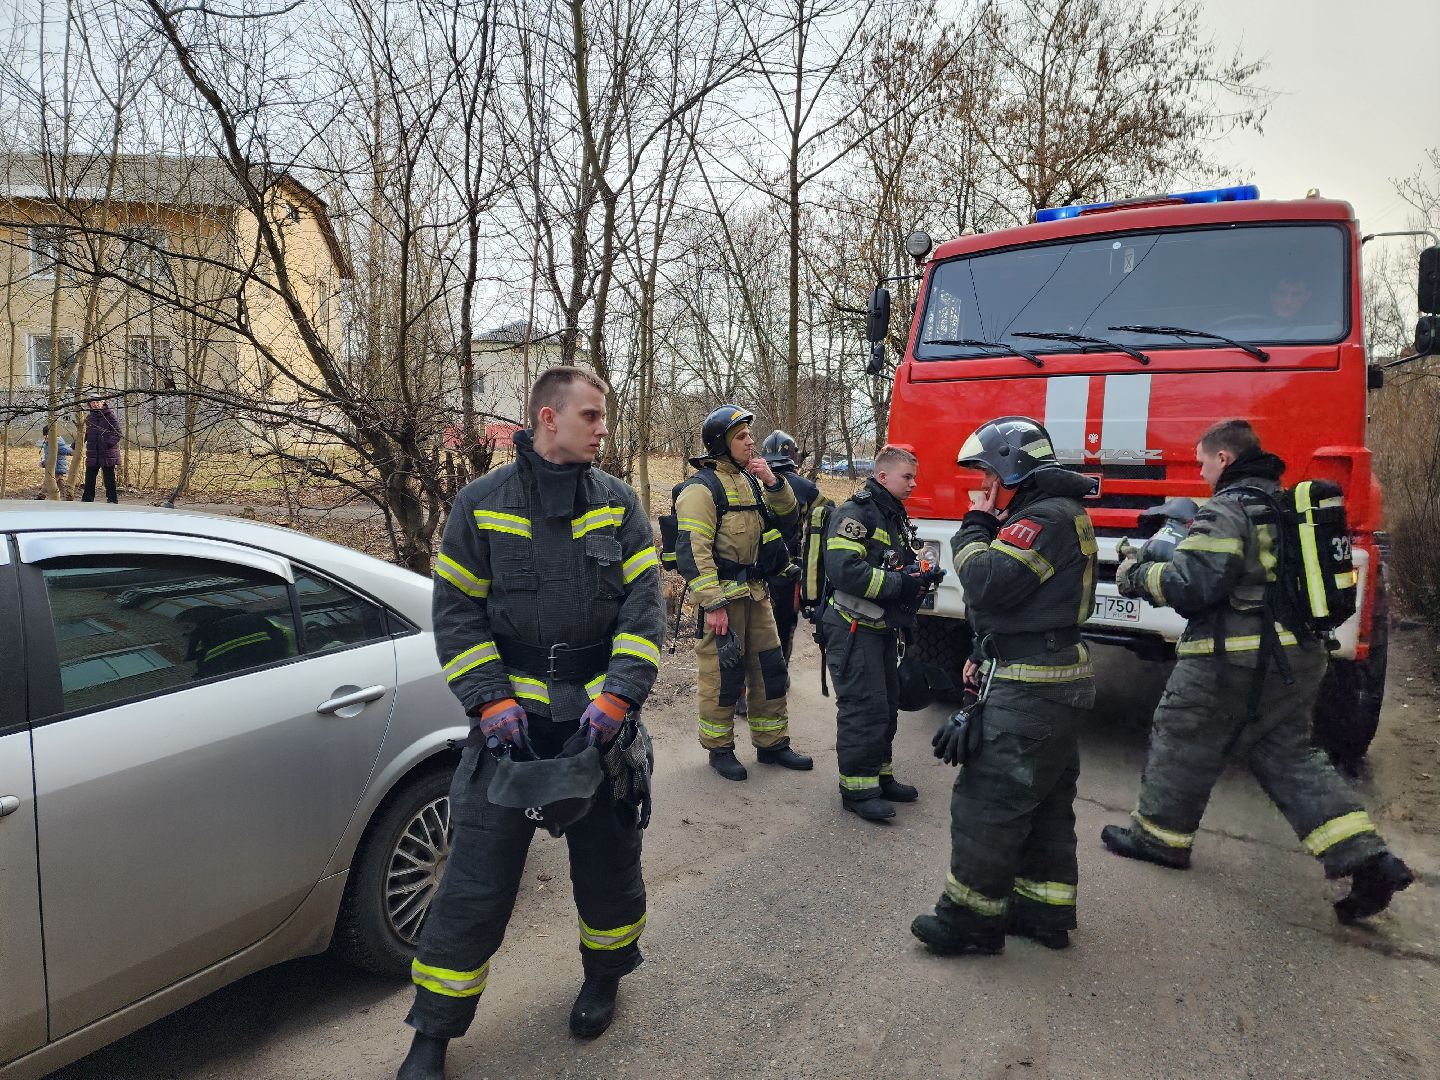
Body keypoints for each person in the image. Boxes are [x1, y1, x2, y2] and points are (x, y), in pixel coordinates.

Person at [396, 366, 665, 1080]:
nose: (602, 428)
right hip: (506, 735)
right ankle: (433, 1032)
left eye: (602, 416)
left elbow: (645, 613)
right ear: (547, 418)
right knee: (475, 883)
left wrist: (618, 700)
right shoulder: (481, 504)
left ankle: (604, 975)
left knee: (609, 869)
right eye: (591, 415)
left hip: (595, 727)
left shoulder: (618, 504)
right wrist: (488, 700)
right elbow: (455, 614)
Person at [1103, 418, 1413, 923]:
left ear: (1224, 459)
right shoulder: (1287, 505)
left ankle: (1159, 838)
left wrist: (1137, 574)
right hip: (1299, 656)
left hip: (1233, 656)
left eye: (1202, 461)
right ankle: (1369, 859)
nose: (1200, 472)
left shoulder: (1227, 508)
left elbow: (1191, 585)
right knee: (1288, 754)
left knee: (1184, 731)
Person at [912, 416, 1098, 955]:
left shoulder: (1043, 520)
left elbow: (988, 584)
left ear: (1011, 467)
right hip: (1049, 677)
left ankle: (969, 920)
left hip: (1031, 689)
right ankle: (1043, 909)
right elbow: (1025, 606)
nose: (983, 486)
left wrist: (974, 524)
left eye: (987, 474)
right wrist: (981, 653)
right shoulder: (1061, 513)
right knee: (1042, 801)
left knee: (987, 800)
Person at [675, 405, 813, 781]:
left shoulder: (752, 480)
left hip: (756, 594)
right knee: (723, 675)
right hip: (723, 599)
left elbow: (787, 518)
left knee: (769, 668)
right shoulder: (701, 489)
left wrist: (772, 481)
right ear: (721, 443)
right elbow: (693, 549)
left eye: (750, 435)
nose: (751, 442)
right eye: (741, 436)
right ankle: (719, 750)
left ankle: (773, 744)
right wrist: (714, 604)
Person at [820, 444, 934, 822]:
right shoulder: (855, 513)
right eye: (907, 476)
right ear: (882, 476)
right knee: (862, 708)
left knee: (885, 705)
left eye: (914, 477)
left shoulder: (891, 514)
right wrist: (898, 584)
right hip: (853, 628)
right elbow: (844, 571)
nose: (914, 484)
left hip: (879, 628)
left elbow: (895, 563)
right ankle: (857, 790)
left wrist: (917, 578)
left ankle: (880, 776)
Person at [758, 429, 823, 659]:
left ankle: (754, 678)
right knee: (785, 624)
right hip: (789, 571)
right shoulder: (807, 488)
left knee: (754, 625)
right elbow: (827, 519)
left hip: (754, 569)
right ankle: (781, 672)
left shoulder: (750, 483)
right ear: (793, 457)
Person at [82, 394, 121, 503]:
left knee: (109, 478)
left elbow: (117, 433)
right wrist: (75, 445)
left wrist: (107, 444)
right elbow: (85, 434)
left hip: (107, 453)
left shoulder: (110, 415)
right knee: (89, 477)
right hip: (93, 452)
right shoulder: (89, 418)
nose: (95, 404)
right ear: (90, 404)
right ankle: (87, 500)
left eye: (97, 402)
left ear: (103, 402)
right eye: (93, 402)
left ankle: (112, 500)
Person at [37, 424, 73, 497]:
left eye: (46, 435)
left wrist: (71, 452)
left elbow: (65, 450)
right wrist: (43, 463)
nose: (45, 437)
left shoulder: (57, 443)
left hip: (58, 467)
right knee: (60, 482)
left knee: (48, 482)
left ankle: (41, 496)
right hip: (52, 468)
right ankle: (67, 495)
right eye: (45, 436)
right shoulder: (47, 444)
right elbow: (48, 457)